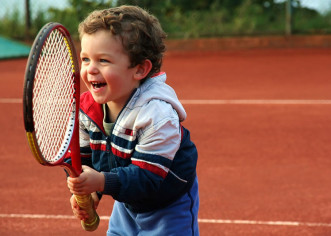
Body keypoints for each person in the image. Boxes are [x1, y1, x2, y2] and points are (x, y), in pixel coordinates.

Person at [66, 5, 199, 235]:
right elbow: (84, 159)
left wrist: (100, 182)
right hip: (127, 202)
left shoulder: (157, 116)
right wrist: (90, 191)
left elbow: (147, 178)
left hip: (168, 205)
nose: (91, 69)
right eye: (85, 59)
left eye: (103, 61)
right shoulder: (87, 111)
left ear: (139, 70)